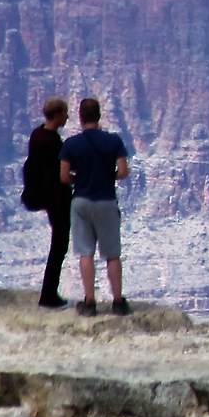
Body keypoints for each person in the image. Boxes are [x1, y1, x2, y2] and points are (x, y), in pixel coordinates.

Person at [58, 96, 133, 317]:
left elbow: (63, 176)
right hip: (106, 201)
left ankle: (89, 303)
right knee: (112, 254)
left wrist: (78, 180)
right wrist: (108, 177)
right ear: (99, 116)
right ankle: (118, 302)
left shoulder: (71, 144)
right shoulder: (114, 142)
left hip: (81, 201)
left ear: (80, 118)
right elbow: (124, 171)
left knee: (85, 253)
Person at [21, 97, 72, 308]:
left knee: (58, 246)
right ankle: (48, 295)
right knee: (59, 246)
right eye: (65, 112)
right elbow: (61, 175)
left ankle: (49, 293)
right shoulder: (52, 142)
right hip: (57, 199)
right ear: (58, 114)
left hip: (48, 198)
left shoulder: (37, 134)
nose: (67, 116)